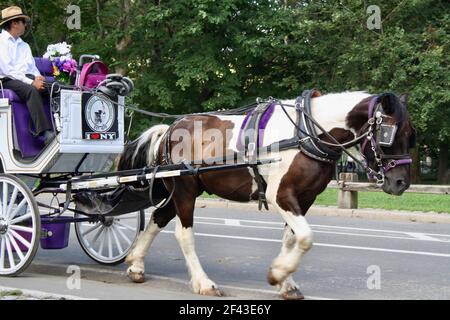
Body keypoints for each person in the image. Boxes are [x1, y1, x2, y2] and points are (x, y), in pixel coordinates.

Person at [0, 6, 54, 144]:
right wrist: (32, 83)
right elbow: (8, 70)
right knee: (31, 91)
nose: (25, 25)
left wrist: (37, 77)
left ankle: (63, 126)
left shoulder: (24, 45)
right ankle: (43, 132)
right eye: (23, 22)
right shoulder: (1, 42)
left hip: (26, 78)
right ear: (14, 23)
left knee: (55, 87)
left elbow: (32, 67)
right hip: (7, 79)